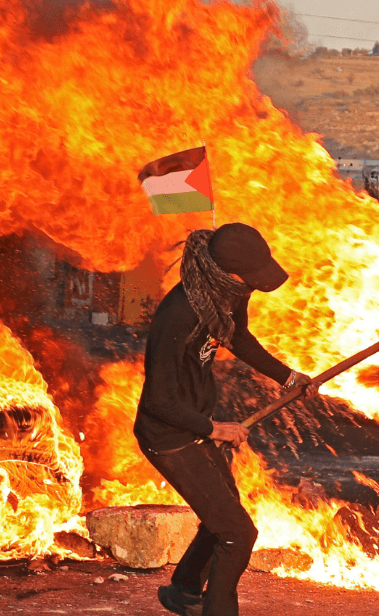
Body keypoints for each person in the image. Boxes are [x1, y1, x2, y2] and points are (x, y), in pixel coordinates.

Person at [134, 222, 318, 616]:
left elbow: (238, 338)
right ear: (224, 272)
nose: (251, 286)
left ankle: (182, 591)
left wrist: (287, 377)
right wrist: (215, 429)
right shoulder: (177, 314)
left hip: (195, 422)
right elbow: (158, 401)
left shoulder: (228, 295)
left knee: (222, 516)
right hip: (167, 436)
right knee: (237, 533)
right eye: (247, 278)